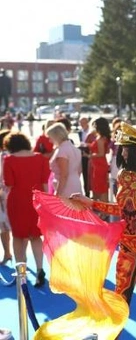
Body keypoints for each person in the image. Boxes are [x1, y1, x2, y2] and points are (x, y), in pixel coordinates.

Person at [72, 122, 136, 340]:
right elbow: (121, 210)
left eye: (126, 148)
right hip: (126, 245)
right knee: (119, 299)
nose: (121, 152)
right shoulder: (124, 176)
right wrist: (91, 203)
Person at [2, 132, 50, 286]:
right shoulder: (40, 158)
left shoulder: (9, 160)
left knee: (18, 236)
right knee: (36, 236)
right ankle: (40, 268)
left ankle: (21, 272)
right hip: (36, 200)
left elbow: (9, 184)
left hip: (17, 201)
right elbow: (44, 183)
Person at [46, 122, 83, 199]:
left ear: (56, 137)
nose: (50, 140)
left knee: (65, 209)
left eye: (50, 137)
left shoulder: (62, 151)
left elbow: (64, 175)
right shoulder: (75, 149)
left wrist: (58, 193)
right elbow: (79, 170)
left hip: (65, 187)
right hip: (76, 183)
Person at [86, 118, 111, 205]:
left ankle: (104, 208)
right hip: (99, 164)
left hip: (99, 165)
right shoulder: (103, 137)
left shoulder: (100, 138)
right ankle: (102, 207)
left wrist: (89, 155)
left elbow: (101, 153)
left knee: (100, 186)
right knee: (100, 186)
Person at [0, 130, 12, 265]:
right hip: (12, 192)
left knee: (4, 226)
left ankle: (7, 253)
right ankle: (8, 253)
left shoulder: (4, 156)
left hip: (4, 193)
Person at [77, 116, 94, 196]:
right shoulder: (79, 132)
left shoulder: (91, 132)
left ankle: (90, 191)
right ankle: (86, 192)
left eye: (83, 122)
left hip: (89, 153)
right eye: (80, 122)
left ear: (87, 122)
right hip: (81, 153)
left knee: (89, 173)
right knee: (84, 173)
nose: (82, 124)